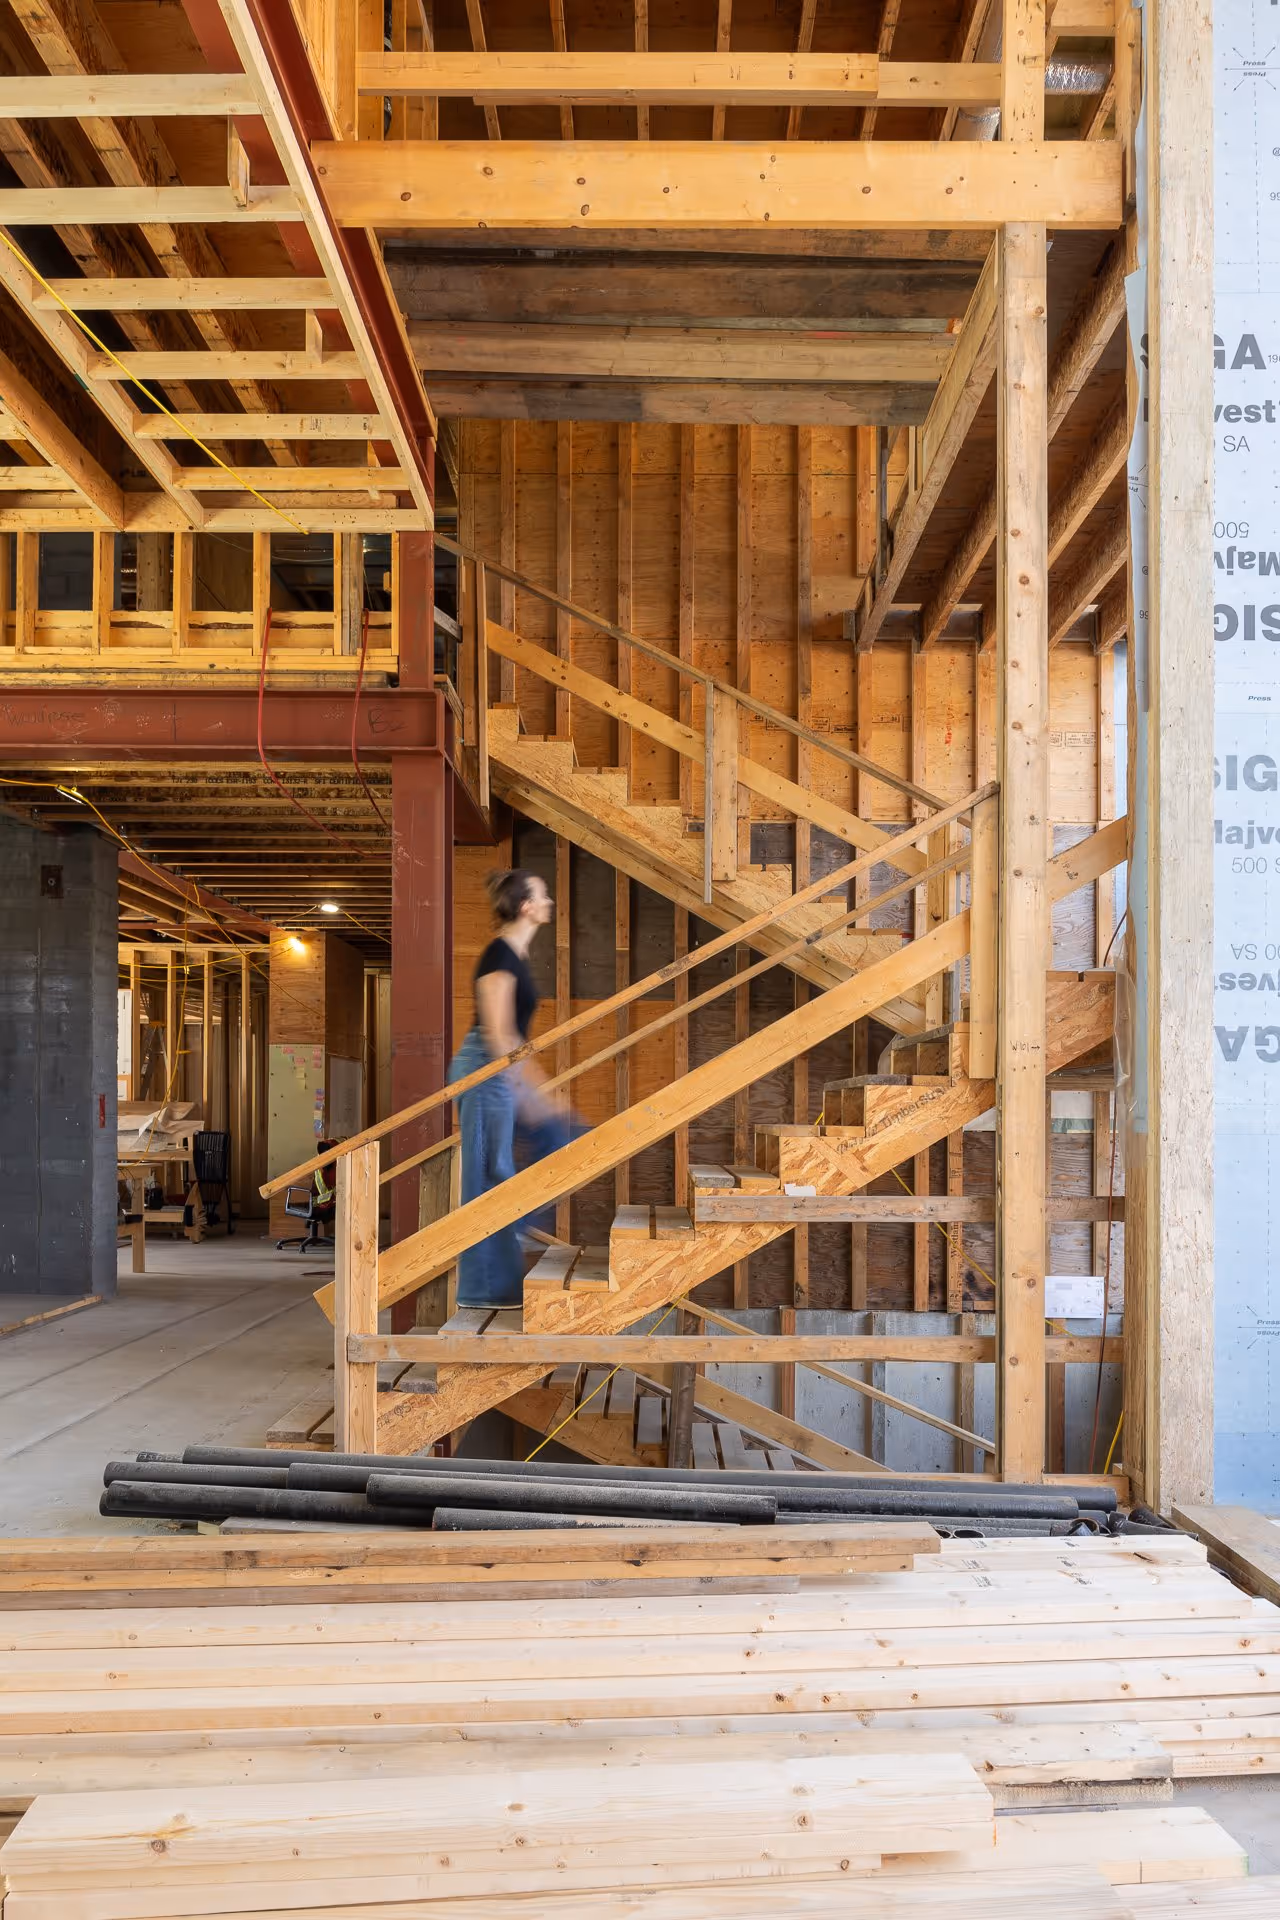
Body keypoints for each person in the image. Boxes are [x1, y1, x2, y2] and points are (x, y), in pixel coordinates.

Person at [448, 869, 584, 1308]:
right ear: (526, 906)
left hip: (499, 1068)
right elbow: (499, 1034)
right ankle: (484, 1290)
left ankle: (515, 1225)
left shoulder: (515, 955)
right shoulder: (499, 957)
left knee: (563, 1140)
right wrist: (537, 1091)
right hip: (486, 1069)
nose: (549, 902)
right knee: (489, 1177)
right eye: (543, 895)